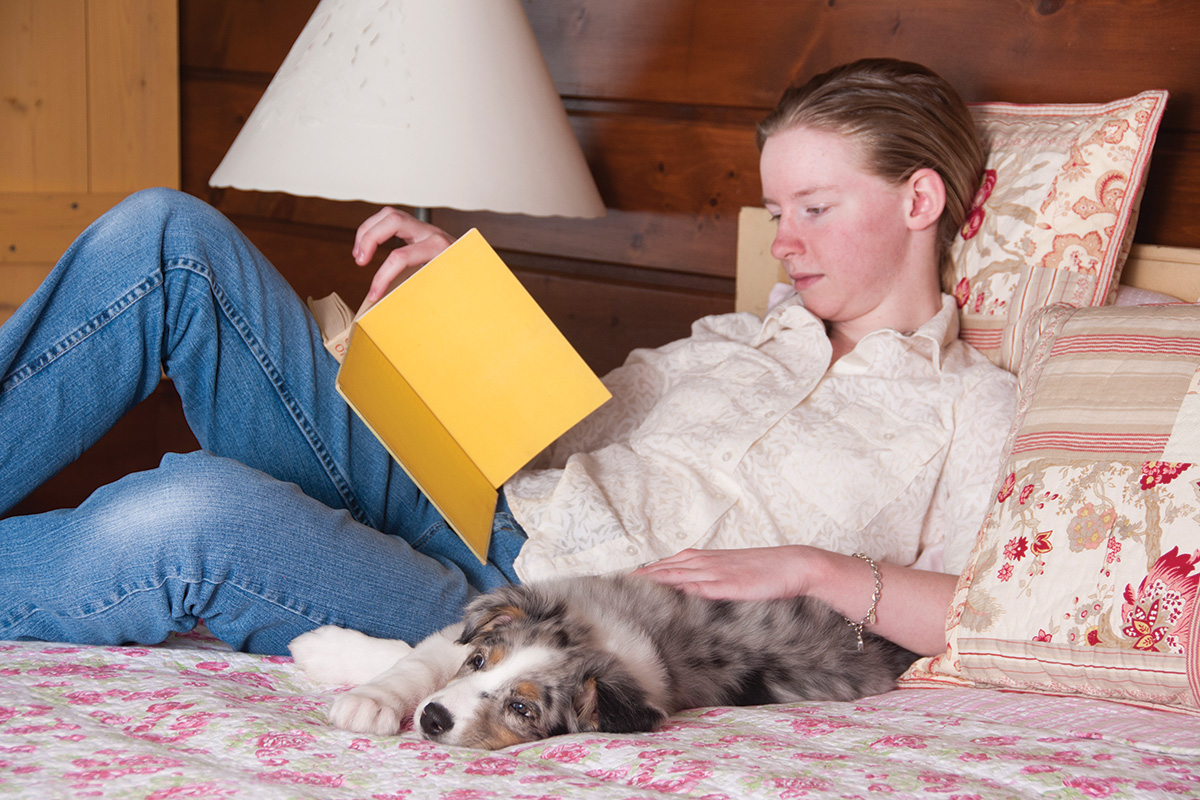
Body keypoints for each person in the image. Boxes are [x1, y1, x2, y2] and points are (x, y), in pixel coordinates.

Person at [0, 58, 1016, 660]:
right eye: (777, 210)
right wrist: (464, 306)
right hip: (464, 494)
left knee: (196, 513)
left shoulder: (970, 411)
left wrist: (815, 570)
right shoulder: (736, 337)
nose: (785, 240)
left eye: (816, 209)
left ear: (918, 201)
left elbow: (1002, 614)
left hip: (532, 616)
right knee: (165, 236)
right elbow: (558, 433)